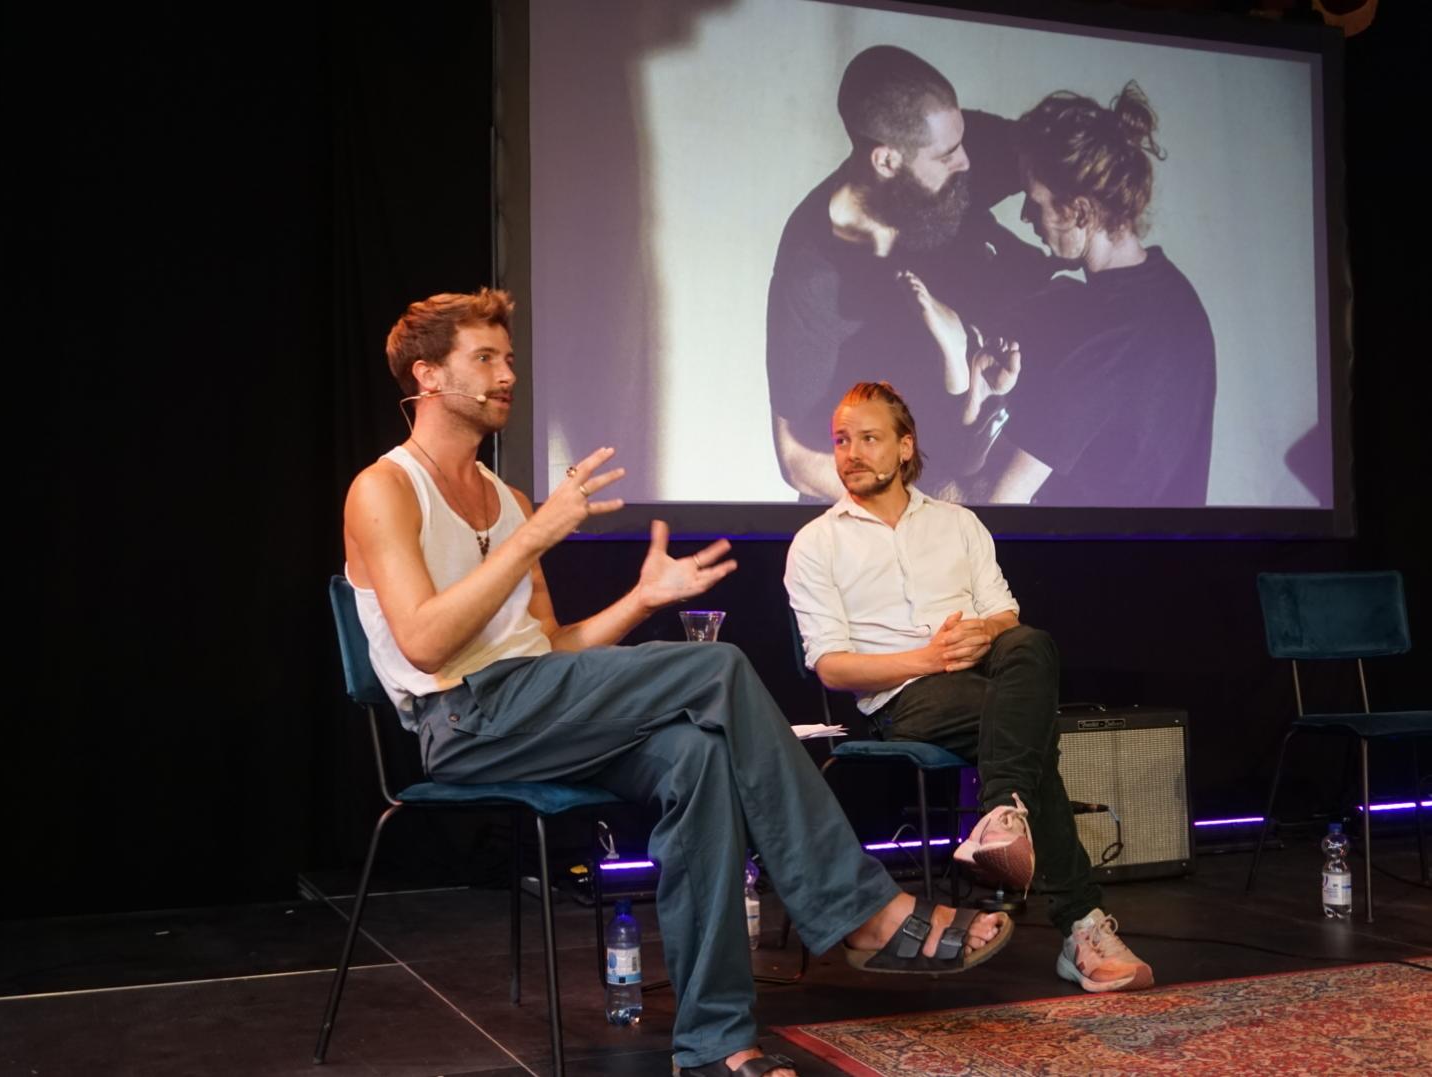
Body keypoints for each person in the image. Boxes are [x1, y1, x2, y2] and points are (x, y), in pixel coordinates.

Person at [344, 290, 1015, 1077]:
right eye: (485, 359)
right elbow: (424, 643)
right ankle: (861, 910)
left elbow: (551, 647)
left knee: (696, 758)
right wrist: (534, 536)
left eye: (510, 357)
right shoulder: (385, 488)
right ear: (426, 374)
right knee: (717, 665)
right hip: (462, 722)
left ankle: (713, 1045)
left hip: (534, 703)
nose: (507, 375)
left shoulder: (508, 498)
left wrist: (641, 600)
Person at [784, 381, 1155, 993]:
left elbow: (1005, 616)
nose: (850, 453)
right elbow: (832, 667)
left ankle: (1001, 811)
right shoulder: (816, 544)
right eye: (841, 440)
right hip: (904, 697)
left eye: (868, 438)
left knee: (1030, 643)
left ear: (905, 448)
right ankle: (1080, 923)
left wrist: (982, 635)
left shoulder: (959, 523)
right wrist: (925, 658)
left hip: (985, 677)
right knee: (1023, 732)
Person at [765, 45, 1051, 503]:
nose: (968, 162)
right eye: (948, 155)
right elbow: (798, 459)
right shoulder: (812, 270)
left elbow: (1066, 152)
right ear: (887, 161)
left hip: (986, 461)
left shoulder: (957, 146)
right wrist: (934, 504)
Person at [977, 82, 1217, 506]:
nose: (1024, 215)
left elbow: (1002, 504)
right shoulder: (1177, 294)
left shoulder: (1103, 334)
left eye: (1035, 201)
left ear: (1081, 211)